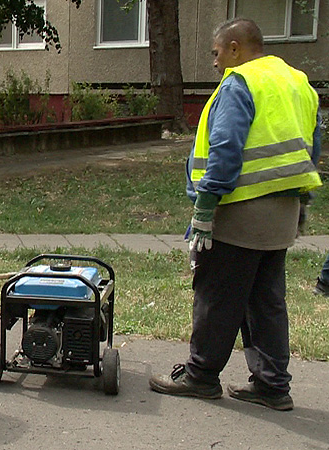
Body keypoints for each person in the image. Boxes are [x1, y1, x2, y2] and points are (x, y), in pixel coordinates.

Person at [149, 19, 322, 411]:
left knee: (217, 296)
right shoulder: (297, 82)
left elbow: (226, 147)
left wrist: (205, 209)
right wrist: (301, 204)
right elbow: (312, 147)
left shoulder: (240, 83)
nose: (214, 63)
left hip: (240, 211)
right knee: (266, 300)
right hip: (282, 213)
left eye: (216, 53)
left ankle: (200, 376)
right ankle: (272, 385)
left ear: (234, 47)